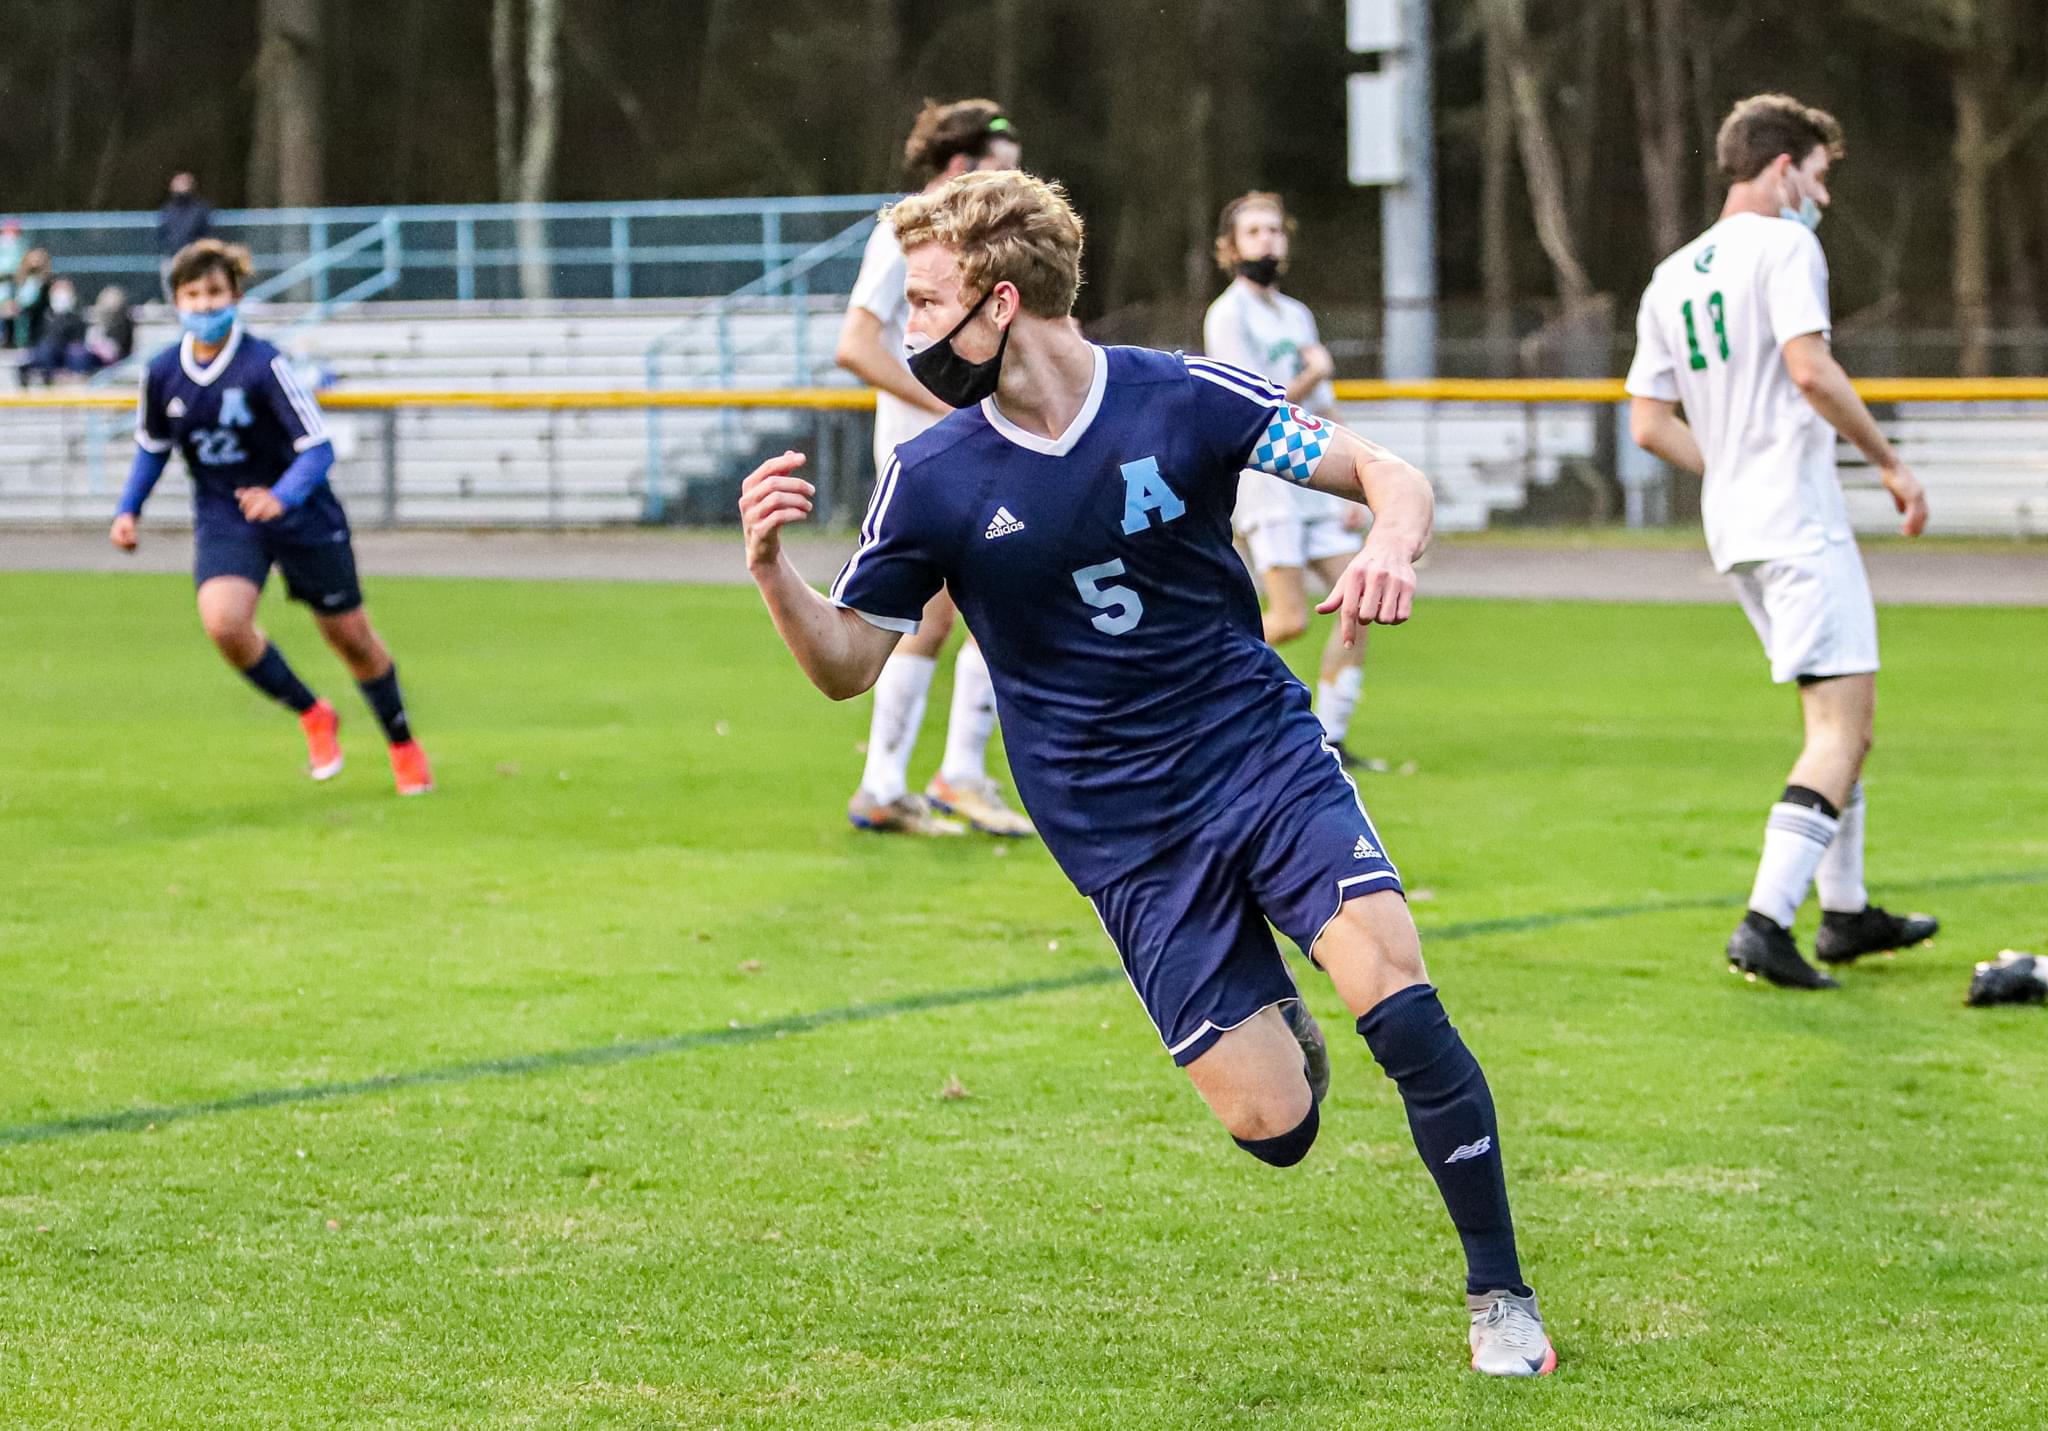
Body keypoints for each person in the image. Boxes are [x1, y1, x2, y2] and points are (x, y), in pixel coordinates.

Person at [741, 171, 1555, 1376]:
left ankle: (1500, 1297)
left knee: (1391, 983)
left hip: (1255, 753)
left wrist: (1390, 543)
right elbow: (848, 666)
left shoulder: (1182, 396)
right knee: (1273, 1127)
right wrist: (772, 573)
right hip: (1120, 830)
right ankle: (1271, 1011)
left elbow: (1390, 474)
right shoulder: (934, 476)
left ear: (1000, 303)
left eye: (924, 304)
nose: (905, 333)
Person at [1627, 94, 1938, 989]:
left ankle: (1845, 912)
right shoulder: (1786, 245)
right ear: (1781, 167)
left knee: (1836, 723)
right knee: (1842, 728)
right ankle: (1766, 922)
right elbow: (1811, 368)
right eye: (1820, 175)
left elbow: (1649, 423)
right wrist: (1890, 463)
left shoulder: (1671, 274)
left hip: (1738, 528)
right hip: (1798, 522)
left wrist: (1724, 467)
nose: (1823, 196)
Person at [111, 239, 433, 796]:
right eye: (193, 295)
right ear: (177, 303)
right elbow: (153, 445)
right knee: (223, 623)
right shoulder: (162, 372)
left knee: (351, 639)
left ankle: (402, 743)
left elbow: (317, 448)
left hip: (301, 514)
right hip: (226, 515)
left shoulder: (265, 364)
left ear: (236, 296)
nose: (206, 306)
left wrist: (282, 496)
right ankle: (313, 713)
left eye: (215, 294)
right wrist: (127, 510)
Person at [832, 99, 1033, 837]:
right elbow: (855, 344)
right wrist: (951, 406)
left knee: (950, 613)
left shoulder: (971, 240)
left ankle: (907, 781)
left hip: (965, 448)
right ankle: (943, 775)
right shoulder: (910, 232)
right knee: (977, 604)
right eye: (1001, 169)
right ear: (960, 166)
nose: (1013, 185)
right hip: (937, 451)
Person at [1204, 191, 1381, 770]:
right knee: (1288, 619)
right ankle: (1193, 684)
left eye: (1276, 231)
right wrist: (1311, 372)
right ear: (1229, 248)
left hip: (1312, 487)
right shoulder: (1229, 315)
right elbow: (1250, 409)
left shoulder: (1295, 314)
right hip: (1267, 484)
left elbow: (1326, 412)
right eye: (1254, 232)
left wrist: (1355, 481)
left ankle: (1327, 738)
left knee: (1359, 604)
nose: (1268, 242)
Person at [156, 173, 214, 299]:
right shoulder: (167, 209)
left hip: (193, 258)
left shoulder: (200, 209)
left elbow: (205, 233)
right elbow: (162, 234)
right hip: (172, 256)